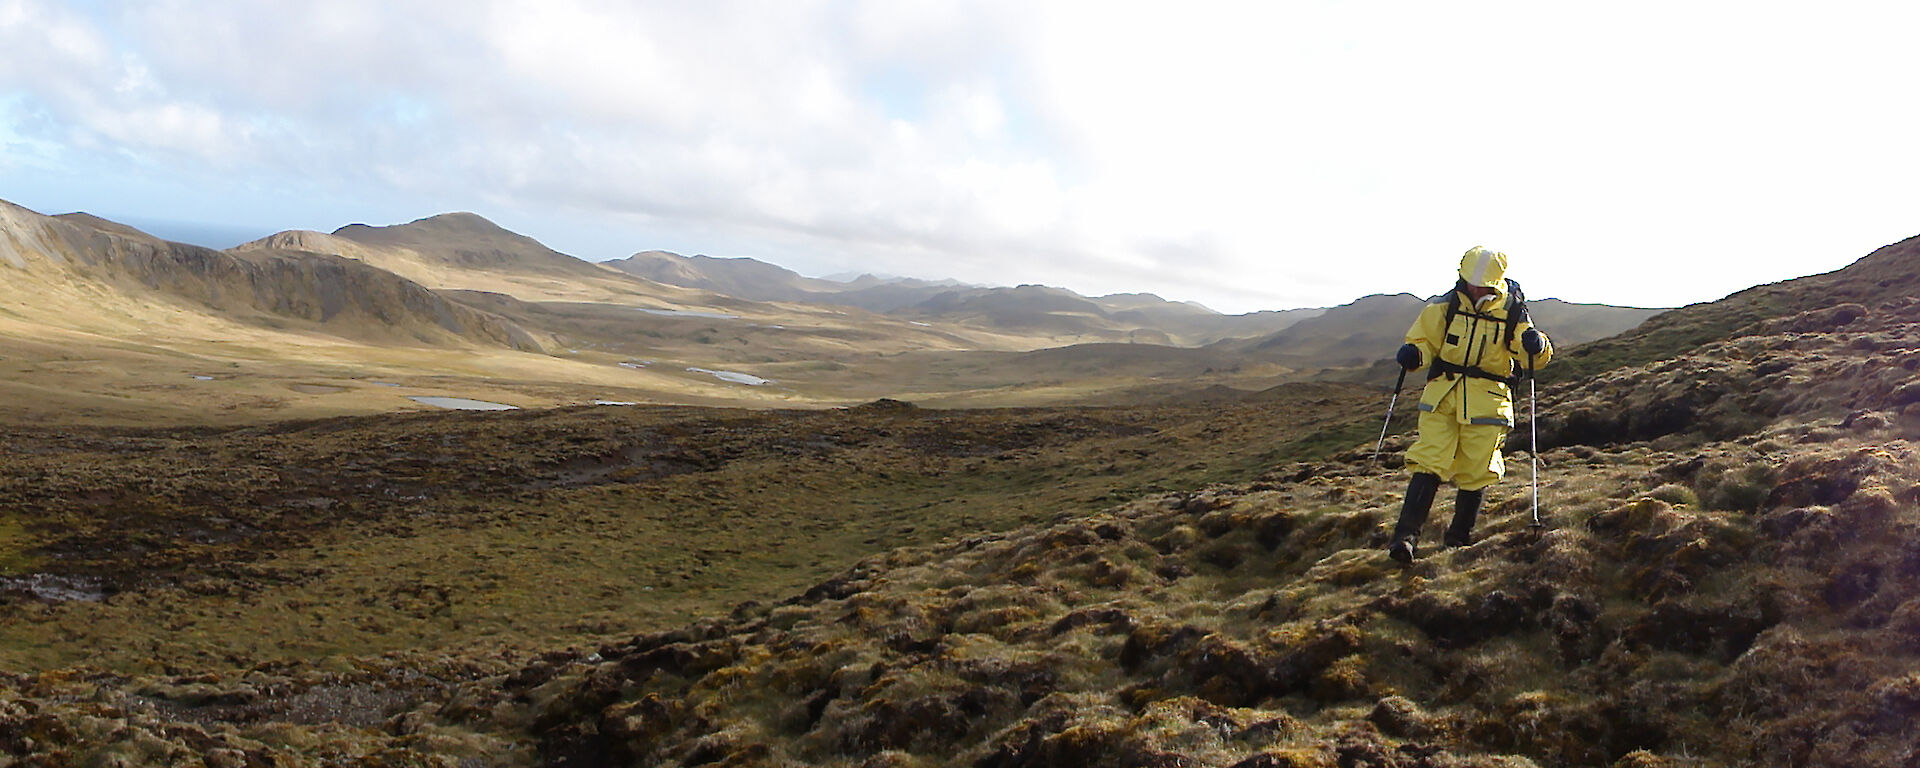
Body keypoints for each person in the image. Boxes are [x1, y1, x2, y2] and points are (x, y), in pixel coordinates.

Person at [1387, 246, 1552, 564]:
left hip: (1488, 403)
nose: (1477, 289)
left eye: (1485, 283)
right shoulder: (1444, 308)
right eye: (1472, 282)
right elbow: (1423, 341)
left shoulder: (1513, 312)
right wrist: (1413, 355)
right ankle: (1404, 540)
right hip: (1443, 396)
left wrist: (1538, 345)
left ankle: (1458, 539)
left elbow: (1531, 351)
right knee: (1428, 461)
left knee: (1477, 470)